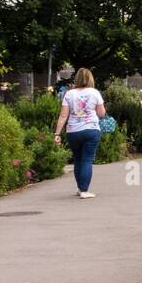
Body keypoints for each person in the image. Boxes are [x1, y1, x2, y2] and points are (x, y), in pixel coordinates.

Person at [54, 68, 107, 199]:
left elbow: (63, 116)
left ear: (76, 79)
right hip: (91, 130)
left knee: (78, 160)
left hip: (73, 131)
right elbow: (101, 114)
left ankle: (80, 188)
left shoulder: (69, 94)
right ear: (90, 79)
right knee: (87, 160)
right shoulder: (94, 92)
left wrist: (57, 133)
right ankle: (84, 191)